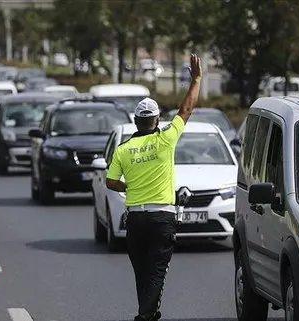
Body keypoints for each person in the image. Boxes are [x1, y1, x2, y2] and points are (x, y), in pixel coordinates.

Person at [105, 54, 202, 321]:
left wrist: (129, 186)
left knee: (142, 273)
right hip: (162, 218)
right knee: (157, 272)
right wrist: (196, 79)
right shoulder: (166, 140)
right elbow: (186, 110)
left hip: (135, 218)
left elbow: (110, 182)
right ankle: (145, 316)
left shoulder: (123, 150)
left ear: (136, 122)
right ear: (157, 121)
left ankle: (146, 313)